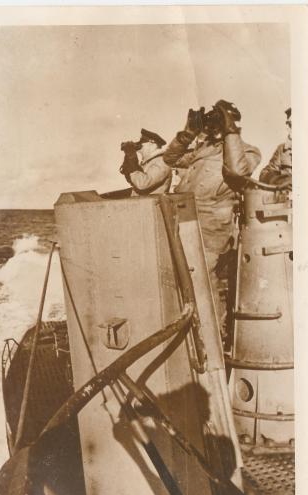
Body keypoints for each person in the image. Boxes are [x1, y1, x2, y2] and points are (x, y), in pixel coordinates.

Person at [162, 100, 261, 334]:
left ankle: (213, 335)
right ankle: (195, 335)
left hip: (210, 230)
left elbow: (237, 172)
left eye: (220, 121)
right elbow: (171, 159)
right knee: (186, 282)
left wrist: (230, 131)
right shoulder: (203, 149)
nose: (214, 128)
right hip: (184, 221)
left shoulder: (247, 151)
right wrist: (188, 133)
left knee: (204, 283)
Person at [120, 128, 172, 195]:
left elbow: (143, 184)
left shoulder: (162, 163)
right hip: (142, 203)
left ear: (152, 143)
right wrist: (128, 159)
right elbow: (133, 181)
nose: (140, 144)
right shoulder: (148, 162)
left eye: (142, 141)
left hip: (153, 204)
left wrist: (132, 159)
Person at [259, 108, 292, 188]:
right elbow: (264, 175)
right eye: (288, 124)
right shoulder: (282, 150)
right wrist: (284, 180)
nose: (288, 128)